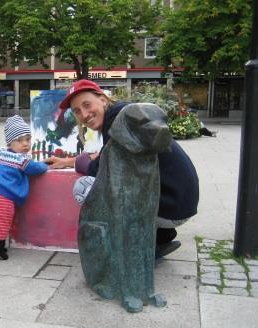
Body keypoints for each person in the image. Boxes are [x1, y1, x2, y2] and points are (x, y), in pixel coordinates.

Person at [45, 80, 199, 258]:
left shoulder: (118, 122)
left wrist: (81, 161)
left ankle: (130, 249)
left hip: (170, 205)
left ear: (103, 99)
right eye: (77, 111)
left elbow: (98, 169)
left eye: (87, 105)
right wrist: (69, 161)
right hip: (179, 200)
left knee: (84, 187)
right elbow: (107, 158)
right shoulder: (121, 114)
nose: (84, 114)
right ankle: (159, 237)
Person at [0, 115, 48, 260]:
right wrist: (45, 165)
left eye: (28, 139)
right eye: (20, 141)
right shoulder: (21, 159)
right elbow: (36, 168)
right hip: (4, 200)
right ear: (10, 143)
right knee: (3, 224)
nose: (25, 144)